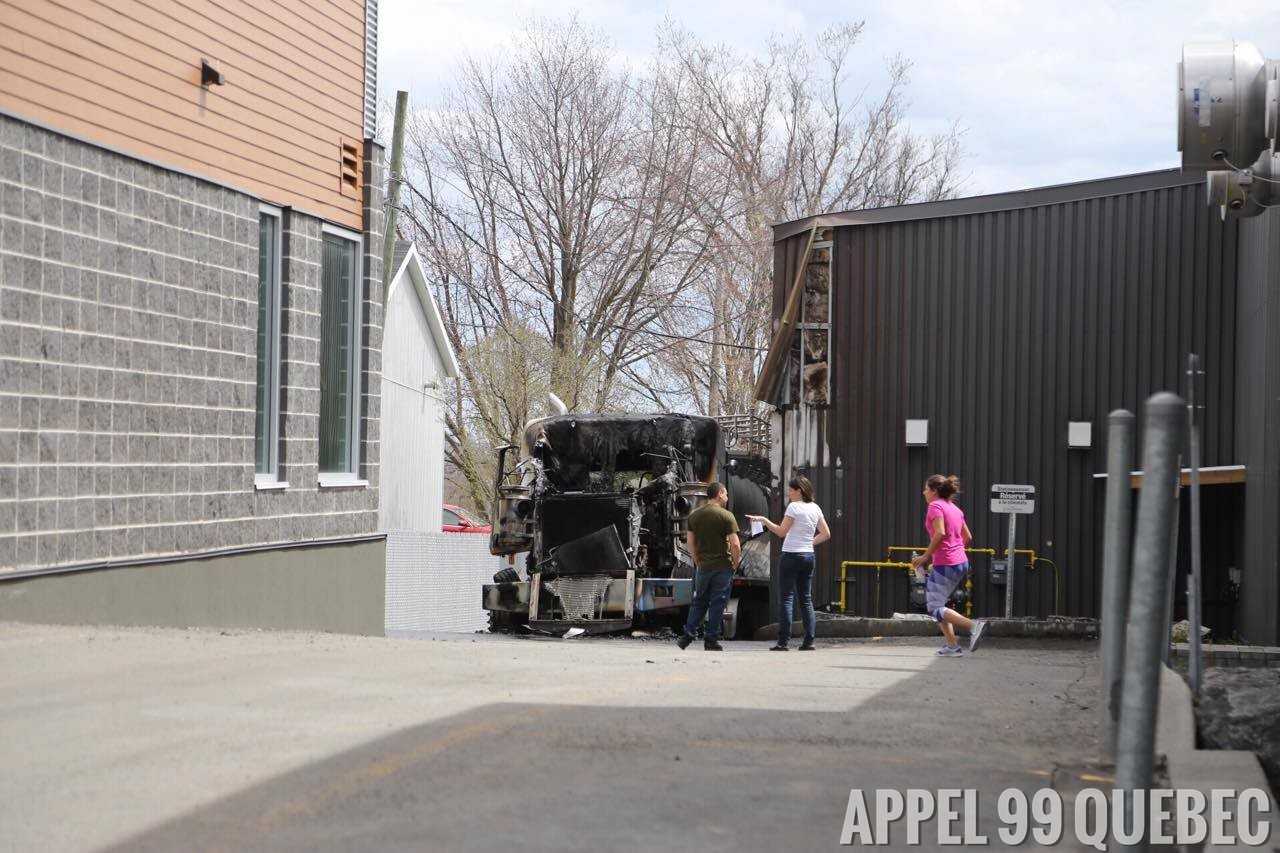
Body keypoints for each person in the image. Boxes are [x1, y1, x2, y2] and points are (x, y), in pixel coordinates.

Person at [747, 474, 830, 651]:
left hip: (791, 555)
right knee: (806, 599)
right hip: (808, 556)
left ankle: (783, 642)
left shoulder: (794, 507)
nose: (789, 494)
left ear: (799, 491)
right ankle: (809, 641)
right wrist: (809, 543)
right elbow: (826, 533)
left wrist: (763, 520)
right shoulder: (815, 508)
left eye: (791, 490)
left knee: (786, 599)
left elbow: (781, 532)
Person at [910, 474, 988, 656]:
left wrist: (926, 557)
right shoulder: (955, 509)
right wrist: (954, 552)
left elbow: (940, 533)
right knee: (940, 605)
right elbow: (967, 537)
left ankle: (974, 626)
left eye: (926, 489)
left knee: (934, 607)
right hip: (960, 562)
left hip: (946, 563)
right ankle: (952, 646)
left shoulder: (935, 506)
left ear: (934, 491)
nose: (924, 492)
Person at [677, 482, 741, 652]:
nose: (727, 497)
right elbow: (735, 544)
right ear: (719, 494)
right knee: (717, 603)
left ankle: (688, 634)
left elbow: (690, 542)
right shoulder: (726, 516)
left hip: (703, 567)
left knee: (699, 602)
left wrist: (697, 560)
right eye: (725, 493)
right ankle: (711, 639)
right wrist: (736, 563)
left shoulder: (694, 516)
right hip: (722, 567)